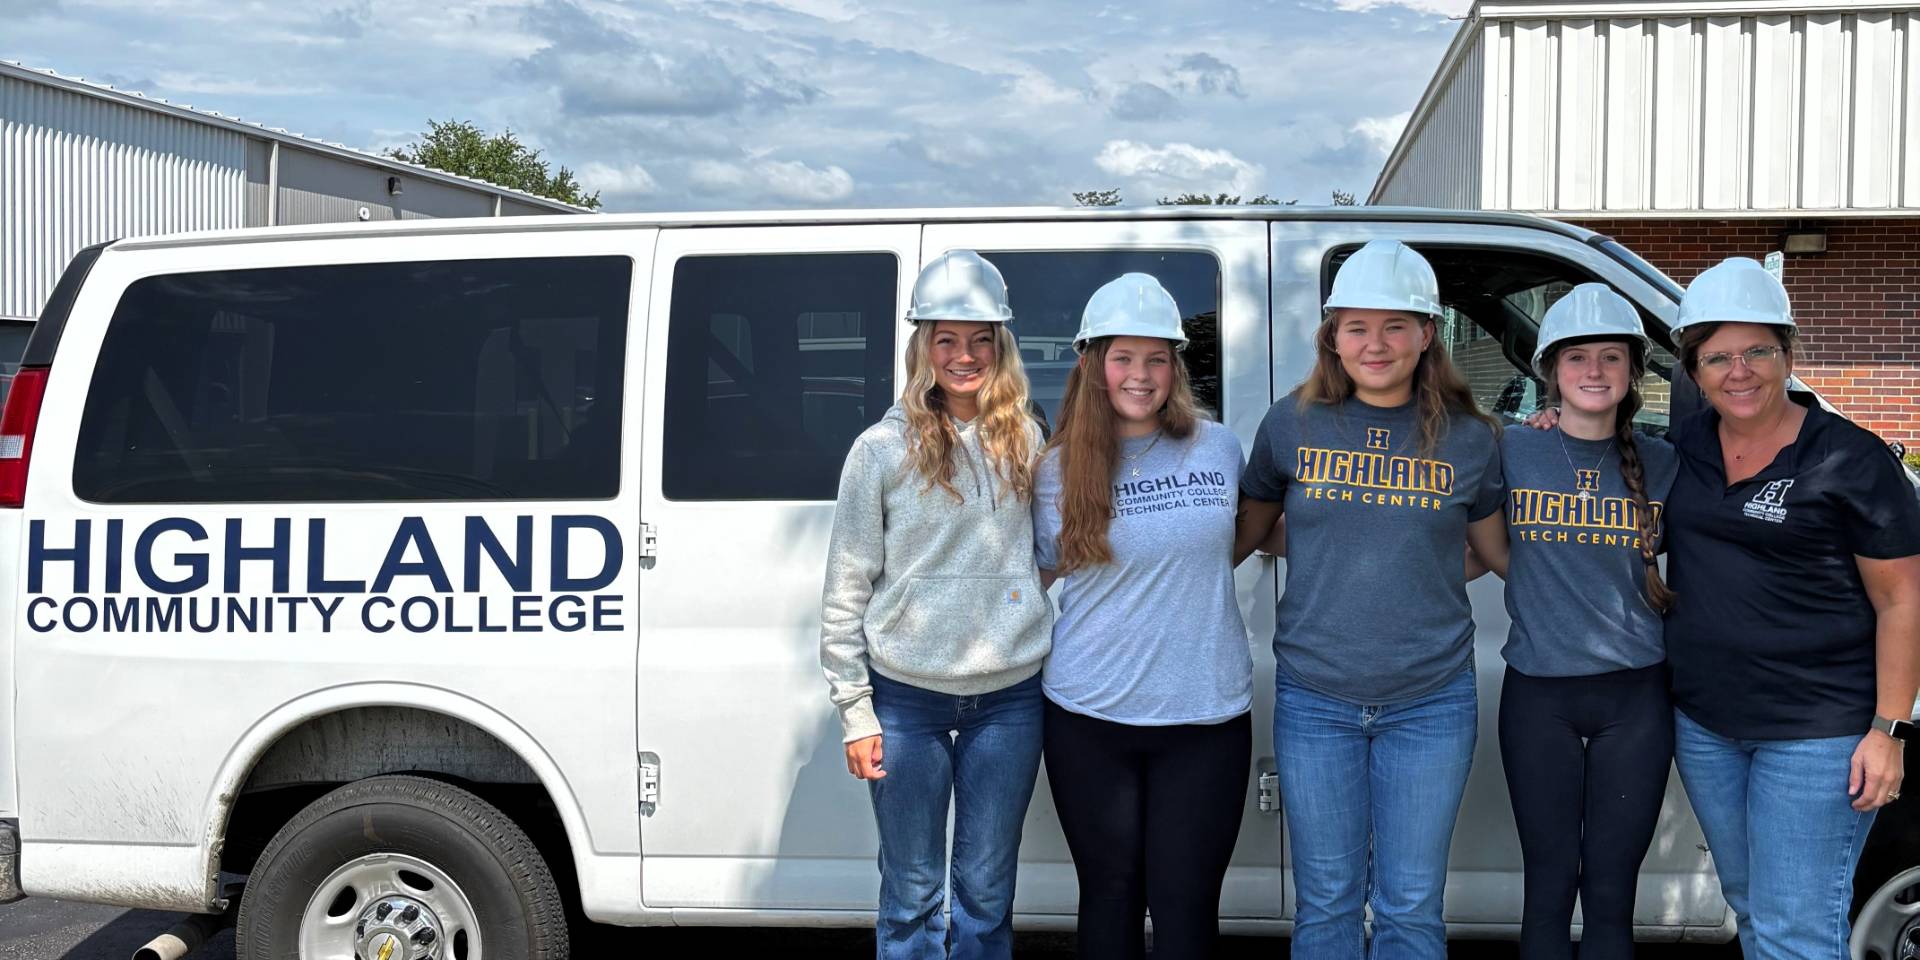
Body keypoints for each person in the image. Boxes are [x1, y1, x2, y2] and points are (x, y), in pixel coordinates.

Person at [1233, 239, 1505, 959]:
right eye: (1356, 326)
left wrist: (1408, 564)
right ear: (1333, 337)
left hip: (1431, 699)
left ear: (1426, 335)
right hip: (1316, 696)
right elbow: (1244, 533)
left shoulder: (1473, 438)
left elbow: (1491, 551)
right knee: (1325, 902)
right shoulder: (1289, 424)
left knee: (1410, 906)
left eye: (1395, 326)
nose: (1374, 343)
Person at [1660, 257, 1920, 959]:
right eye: (1717, 357)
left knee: (1798, 930)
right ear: (1693, 369)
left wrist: (1888, 729)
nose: (1738, 372)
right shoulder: (1684, 447)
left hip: (1817, 731)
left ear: (1788, 354)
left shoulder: (1851, 459)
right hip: (1709, 725)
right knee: (1755, 911)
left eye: (1757, 352)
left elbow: (1902, 598)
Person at [819, 249, 1053, 960]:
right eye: (946, 339)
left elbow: (1044, 557)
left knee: (986, 891)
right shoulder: (880, 449)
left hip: (1010, 698)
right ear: (922, 346)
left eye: (981, 339)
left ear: (1001, 346)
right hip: (905, 700)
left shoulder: (1027, 439)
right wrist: (855, 711)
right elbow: (845, 587)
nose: (964, 355)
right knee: (912, 891)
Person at [1032, 273, 1254, 960]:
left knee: (1187, 909)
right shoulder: (1057, 470)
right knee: (1109, 896)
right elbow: (1031, 577)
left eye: (1158, 357)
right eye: (1123, 357)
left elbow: (1244, 538)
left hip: (1205, 717)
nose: (1141, 374)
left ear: (1176, 366)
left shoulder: (1217, 448)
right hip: (1090, 716)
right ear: (1092, 364)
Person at [1468, 284, 1678, 959]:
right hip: (1540, 696)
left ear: (1633, 372)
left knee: (1613, 896)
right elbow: (1493, 551)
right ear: (1550, 372)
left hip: (1636, 699)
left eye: (1611, 357)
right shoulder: (1512, 449)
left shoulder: (1666, 462)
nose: (1594, 371)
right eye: (1577, 357)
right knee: (1550, 888)